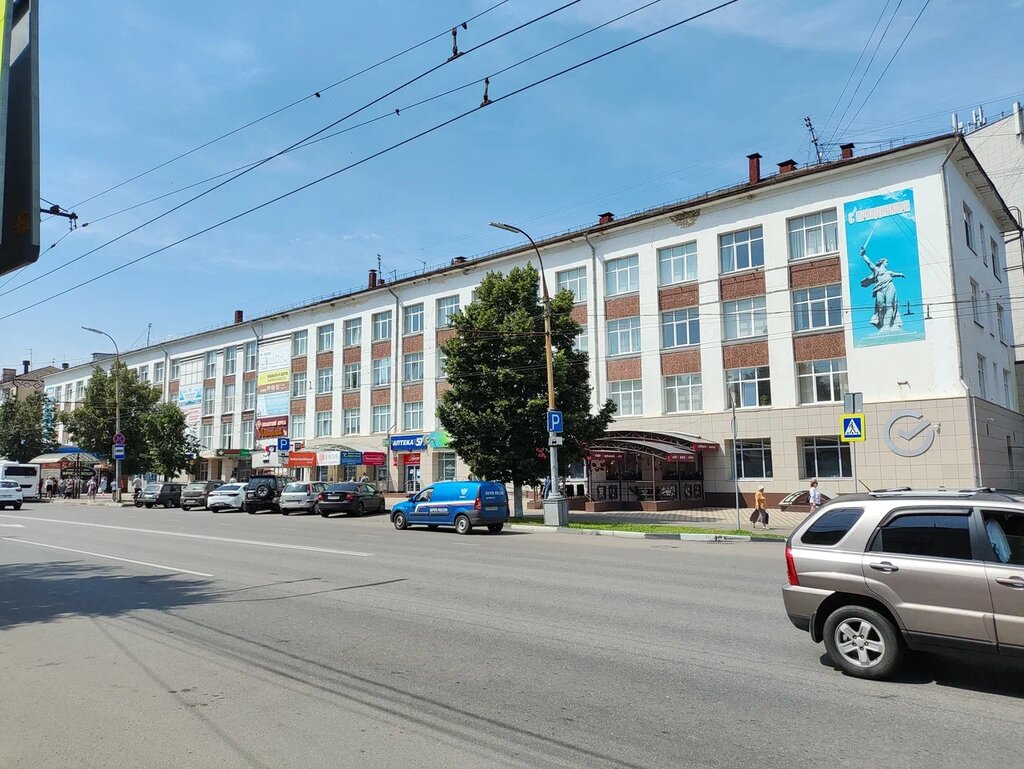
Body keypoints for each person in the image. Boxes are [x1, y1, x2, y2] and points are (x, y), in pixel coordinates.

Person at [860, 245, 906, 331]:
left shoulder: (889, 272)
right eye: (886, 262)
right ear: (882, 262)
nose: (887, 263)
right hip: (879, 289)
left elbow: (897, 274)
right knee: (880, 306)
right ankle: (881, 323)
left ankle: (887, 326)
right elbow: (869, 262)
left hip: (890, 287)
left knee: (889, 305)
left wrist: (901, 274)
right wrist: (863, 255)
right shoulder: (876, 270)